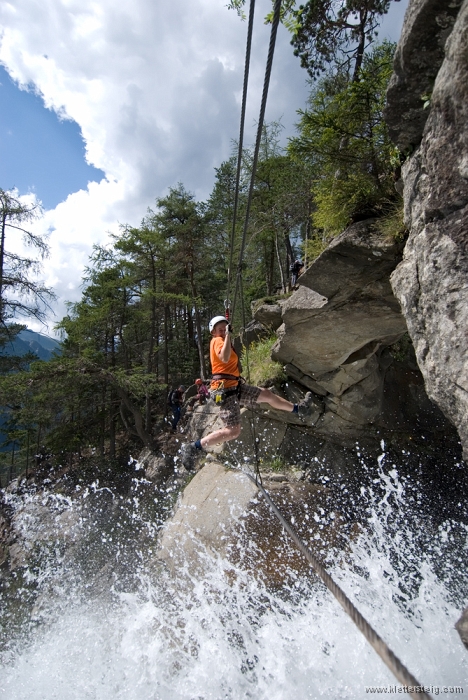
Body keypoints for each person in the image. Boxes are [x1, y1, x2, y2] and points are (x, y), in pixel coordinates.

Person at [180, 316, 315, 469]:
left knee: (266, 395)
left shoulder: (225, 342)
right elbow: (223, 358)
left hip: (234, 387)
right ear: (213, 332)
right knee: (233, 431)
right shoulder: (217, 341)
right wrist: (227, 337)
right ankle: (195, 446)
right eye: (220, 330)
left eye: (225, 329)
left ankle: (299, 409)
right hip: (225, 390)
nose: (223, 332)